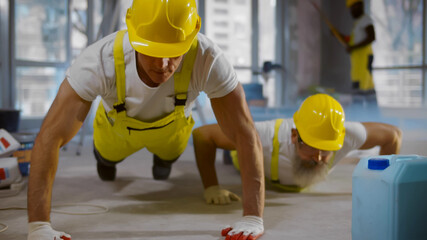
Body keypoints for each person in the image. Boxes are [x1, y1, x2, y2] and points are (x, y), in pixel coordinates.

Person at [27, 0, 265, 239]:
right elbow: (50, 136)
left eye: (173, 52)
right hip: (115, 131)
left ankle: (163, 161)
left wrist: (253, 217)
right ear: (132, 34)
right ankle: (106, 162)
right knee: (107, 156)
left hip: (171, 131)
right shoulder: (100, 60)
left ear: (192, 36)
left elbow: (245, 134)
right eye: (151, 51)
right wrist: (39, 226)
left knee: (168, 157)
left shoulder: (208, 58)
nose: (163, 65)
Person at [192, 93, 402, 195]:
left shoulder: (347, 135)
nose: (319, 158)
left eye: (327, 151)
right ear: (294, 136)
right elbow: (203, 135)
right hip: (245, 154)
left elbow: (393, 135)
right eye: (311, 148)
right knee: (234, 150)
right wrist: (211, 187)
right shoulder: (264, 136)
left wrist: (382, 185)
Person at [343, 0, 377, 98]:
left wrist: (352, 47)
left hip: (364, 59)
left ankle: (364, 110)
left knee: (365, 87)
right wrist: (338, 34)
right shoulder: (358, 23)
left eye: (352, 8)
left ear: (359, 5)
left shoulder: (365, 20)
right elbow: (351, 40)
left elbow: (371, 37)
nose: (351, 11)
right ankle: (361, 109)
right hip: (357, 62)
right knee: (362, 85)